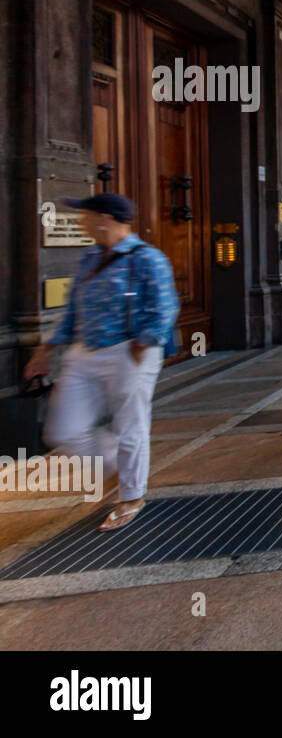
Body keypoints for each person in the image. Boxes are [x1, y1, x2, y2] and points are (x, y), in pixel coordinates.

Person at [23, 193, 179, 532]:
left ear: (105, 218)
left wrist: (143, 344)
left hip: (130, 350)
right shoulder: (90, 257)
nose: (81, 221)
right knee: (62, 429)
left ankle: (132, 497)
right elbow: (73, 308)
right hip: (85, 351)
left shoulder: (147, 258)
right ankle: (114, 468)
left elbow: (164, 308)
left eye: (86, 215)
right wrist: (47, 349)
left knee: (130, 426)